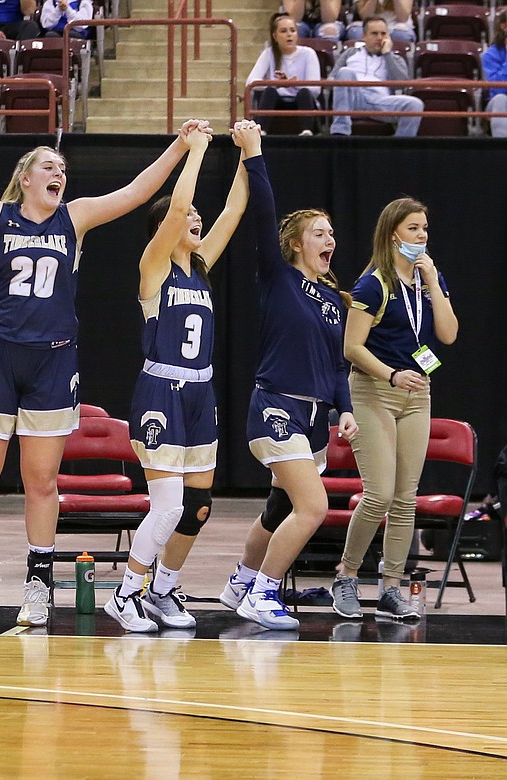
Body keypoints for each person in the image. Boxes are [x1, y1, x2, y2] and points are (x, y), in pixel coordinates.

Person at [0, 106, 211, 626]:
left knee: (42, 481)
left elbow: (133, 194)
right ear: (24, 178)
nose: (58, 175)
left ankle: (38, 582)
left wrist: (179, 147)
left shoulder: (76, 217)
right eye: (48, 167)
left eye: (62, 169)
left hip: (53, 361)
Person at [104, 121, 251, 634]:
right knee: (166, 508)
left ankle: (163, 588)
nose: (195, 217)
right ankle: (126, 595)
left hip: (200, 392)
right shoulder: (153, 266)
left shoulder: (202, 265)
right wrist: (194, 150)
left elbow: (233, 209)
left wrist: (247, 154)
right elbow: (175, 208)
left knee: (199, 507)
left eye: (194, 214)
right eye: (185, 214)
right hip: (160, 391)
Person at [218, 127, 357, 631]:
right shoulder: (279, 278)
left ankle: (240, 581)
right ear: (297, 242)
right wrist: (254, 153)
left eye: (332, 233)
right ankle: (264, 591)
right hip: (277, 405)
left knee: (278, 509)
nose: (330, 240)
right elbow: (262, 208)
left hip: (316, 416)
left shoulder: (334, 301)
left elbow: (338, 366)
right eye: (320, 233)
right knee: (313, 506)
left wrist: (345, 409)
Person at [331, 198, 458, 621]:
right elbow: (351, 347)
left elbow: (448, 334)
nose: (422, 236)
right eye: (413, 229)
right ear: (392, 235)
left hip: (417, 394)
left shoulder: (427, 282)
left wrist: (435, 283)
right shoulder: (372, 284)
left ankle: (392, 587)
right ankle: (346, 575)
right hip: (373, 391)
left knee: (406, 498)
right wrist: (390, 375)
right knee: (380, 493)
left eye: (425, 228)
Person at [329, 17, 422, 137]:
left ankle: (399, 150)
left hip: (379, 101)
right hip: (352, 98)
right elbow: (332, 79)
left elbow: (402, 84)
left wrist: (387, 54)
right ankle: (340, 133)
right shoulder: (351, 53)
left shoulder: (395, 59)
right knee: (345, 72)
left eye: (383, 33)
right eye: (374, 33)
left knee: (415, 105)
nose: (379, 38)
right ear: (364, 36)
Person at [246, 13, 322, 136]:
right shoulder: (268, 53)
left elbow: (315, 89)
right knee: (269, 91)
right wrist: (277, 84)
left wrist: (292, 84)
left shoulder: (309, 53)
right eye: (283, 31)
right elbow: (250, 82)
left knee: (304, 92)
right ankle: (262, 132)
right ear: (275, 36)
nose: (289, 35)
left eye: (292, 30)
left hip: (300, 102)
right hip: (277, 103)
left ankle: (307, 131)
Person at [483, 10, 507, 138]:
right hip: (499, 103)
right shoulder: (491, 55)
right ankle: (503, 149)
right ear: (504, 26)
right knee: (500, 99)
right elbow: (497, 89)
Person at [347, 0, 414, 43]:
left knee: (400, 35)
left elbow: (402, 18)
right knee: (356, 32)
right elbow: (365, 17)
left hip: (396, 24)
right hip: (372, 23)